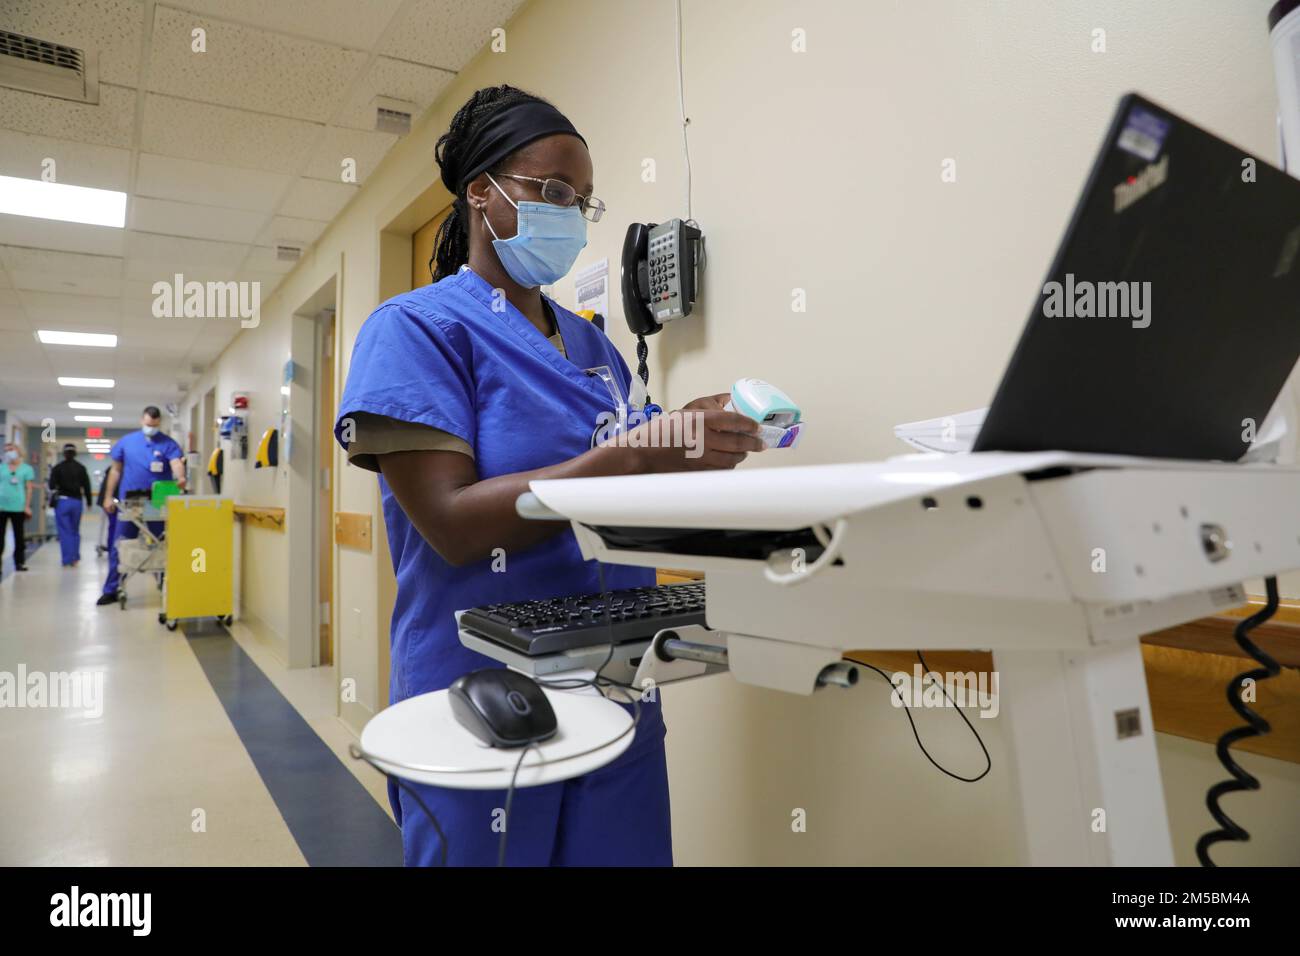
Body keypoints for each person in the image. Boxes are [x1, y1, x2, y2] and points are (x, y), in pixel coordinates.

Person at [336, 85, 765, 867]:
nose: (570, 213)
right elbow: (455, 525)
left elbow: (632, 483)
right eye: (554, 192)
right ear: (481, 193)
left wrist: (691, 436)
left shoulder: (593, 346)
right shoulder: (414, 330)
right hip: (479, 699)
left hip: (616, 685)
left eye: (584, 201)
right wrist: (641, 451)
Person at [96, 407, 186, 606]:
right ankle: (111, 589)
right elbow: (115, 472)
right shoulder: (127, 442)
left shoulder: (168, 443)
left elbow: (176, 463)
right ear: (141, 421)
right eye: (147, 425)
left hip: (156, 504)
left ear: (159, 423)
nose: (150, 428)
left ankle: (166, 585)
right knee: (119, 545)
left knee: (162, 546)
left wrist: (180, 477)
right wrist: (108, 497)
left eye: (154, 426)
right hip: (130, 503)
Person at [48, 443, 93, 567]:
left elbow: (51, 485)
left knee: (64, 531)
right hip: (77, 502)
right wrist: (89, 502)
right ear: (75, 453)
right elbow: (87, 486)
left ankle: (67, 559)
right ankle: (75, 558)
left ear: (64, 453)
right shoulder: (81, 468)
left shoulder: (57, 468)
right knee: (75, 530)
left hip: (62, 502)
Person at [1, 441, 35, 573]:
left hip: (18, 507)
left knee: (19, 536)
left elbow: (29, 488)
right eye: (6, 450)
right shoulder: (2, 467)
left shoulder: (26, 469)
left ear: (18, 451)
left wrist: (27, 506)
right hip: (1, 506)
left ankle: (19, 562)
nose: (9, 452)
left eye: (11, 449)